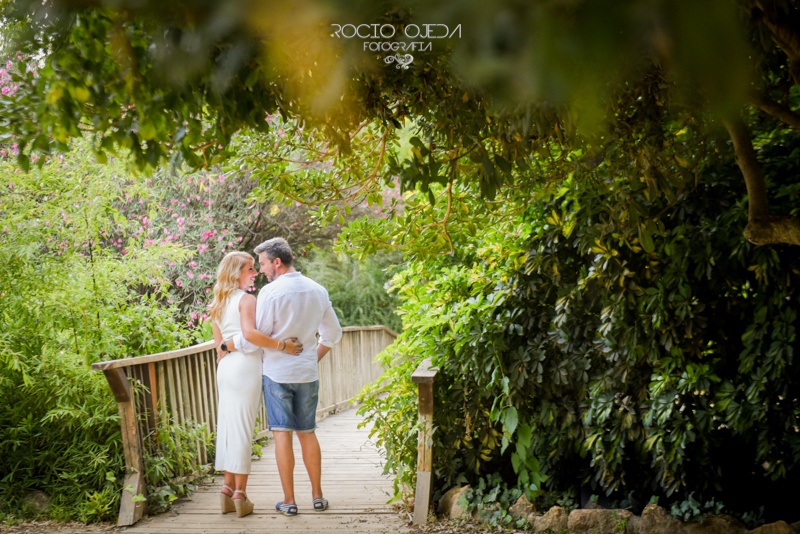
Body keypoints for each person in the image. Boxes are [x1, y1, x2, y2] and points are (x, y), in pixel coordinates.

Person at [225, 237, 342, 517]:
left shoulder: (271, 293)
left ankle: (289, 501)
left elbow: (256, 337)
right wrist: (310, 359)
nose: (262, 269)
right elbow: (334, 334)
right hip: (307, 374)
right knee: (307, 433)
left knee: (282, 435)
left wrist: (229, 345)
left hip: (277, 373)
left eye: (263, 263)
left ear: (277, 262)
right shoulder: (317, 290)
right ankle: (318, 496)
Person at [208, 251, 303, 518]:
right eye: (250, 269)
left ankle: (227, 489)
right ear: (237, 272)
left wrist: (229, 350)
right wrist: (283, 345)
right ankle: (240, 494)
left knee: (228, 425)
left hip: (226, 367)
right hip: (245, 366)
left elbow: (219, 347)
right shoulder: (246, 299)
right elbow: (250, 334)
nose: (254, 273)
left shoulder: (218, 301)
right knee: (243, 428)